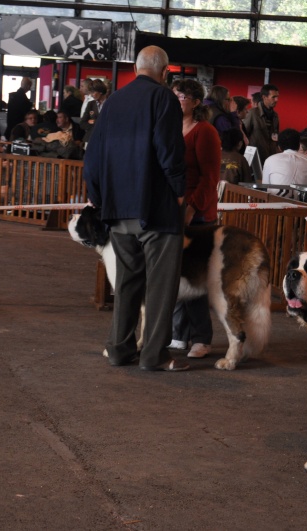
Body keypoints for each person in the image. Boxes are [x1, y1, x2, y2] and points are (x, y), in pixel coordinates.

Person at [83, 45, 188, 372]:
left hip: (117, 208)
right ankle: (154, 355)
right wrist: (180, 192)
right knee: (160, 286)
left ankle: (118, 348)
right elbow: (168, 150)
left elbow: (93, 156)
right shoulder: (164, 99)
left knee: (127, 282)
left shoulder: (112, 102)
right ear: (166, 70)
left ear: (135, 67)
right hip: (156, 209)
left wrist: (98, 197)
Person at [168, 78, 222, 359]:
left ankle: (202, 336)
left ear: (196, 102)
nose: (177, 100)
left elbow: (210, 177)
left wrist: (192, 208)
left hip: (198, 214)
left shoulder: (205, 131)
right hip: (172, 208)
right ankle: (179, 333)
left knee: (194, 277)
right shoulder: (172, 127)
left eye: (182, 96)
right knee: (176, 274)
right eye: (175, 95)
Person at [262, 128, 307, 198]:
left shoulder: (270, 160)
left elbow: (265, 187)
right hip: (302, 207)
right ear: (298, 145)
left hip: (275, 205)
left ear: (279, 147)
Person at [243, 83, 279, 164]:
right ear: (264, 97)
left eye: (277, 97)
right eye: (273, 97)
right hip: (254, 158)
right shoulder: (252, 113)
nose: (277, 100)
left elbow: (276, 135)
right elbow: (243, 135)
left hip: (270, 158)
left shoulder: (275, 116)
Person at [81, 79, 107, 145]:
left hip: (105, 139)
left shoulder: (110, 104)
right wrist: (95, 125)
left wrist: (93, 122)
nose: (91, 95)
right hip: (90, 139)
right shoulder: (91, 104)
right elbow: (83, 123)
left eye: (93, 92)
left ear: (100, 91)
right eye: (91, 92)